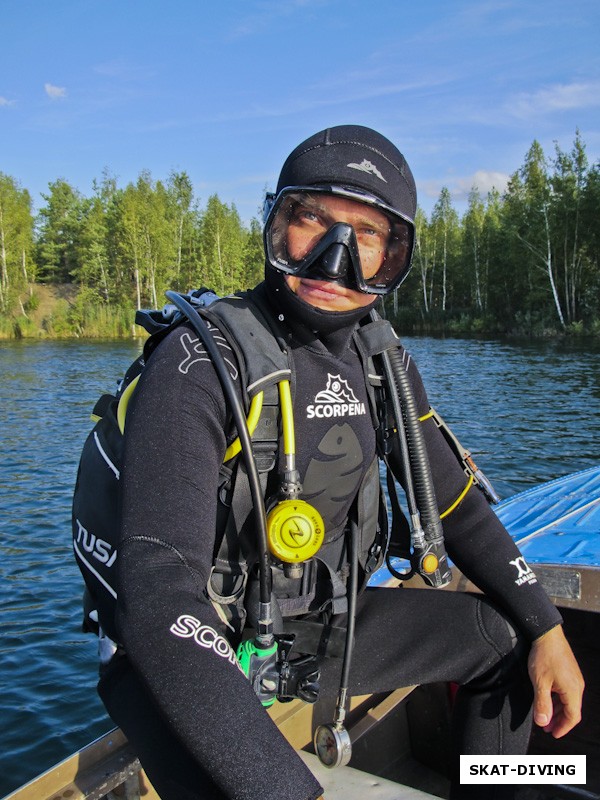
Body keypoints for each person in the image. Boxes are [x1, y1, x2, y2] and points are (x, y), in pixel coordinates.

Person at [97, 125, 584, 800]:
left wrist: (547, 627)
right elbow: (157, 595)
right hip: (178, 652)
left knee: (500, 642)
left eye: (367, 235)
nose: (335, 258)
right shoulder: (200, 365)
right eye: (313, 219)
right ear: (276, 223)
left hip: (302, 633)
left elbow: (454, 505)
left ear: (394, 256)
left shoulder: (383, 365)